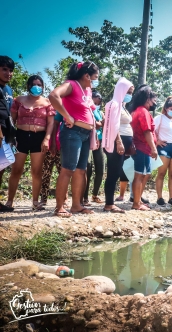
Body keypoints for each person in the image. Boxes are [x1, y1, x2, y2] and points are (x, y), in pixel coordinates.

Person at [48, 61, 100, 217]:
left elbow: (90, 112)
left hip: (86, 135)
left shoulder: (87, 91)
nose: (96, 80)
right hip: (72, 133)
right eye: (95, 77)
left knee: (80, 170)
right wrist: (67, 116)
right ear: (86, 75)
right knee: (68, 169)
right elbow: (53, 95)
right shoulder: (71, 85)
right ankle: (59, 208)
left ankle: (76, 205)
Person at [5, 75, 55, 210]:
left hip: (39, 138)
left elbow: (50, 123)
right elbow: (12, 120)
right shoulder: (19, 100)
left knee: (36, 172)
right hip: (20, 137)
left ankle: (35, 202)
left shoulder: (47, 102)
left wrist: (46, 139)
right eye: (34, 84)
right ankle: (9, 201)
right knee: (16, 170)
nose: (37, 87)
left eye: (40, 85)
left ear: (43, 87)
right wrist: (10, 139)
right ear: (28, 86)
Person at [101, 77, 134, 213]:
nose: (130, 95)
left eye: (131, 92)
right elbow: (112, 126)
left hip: (125, 142)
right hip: (116, 142)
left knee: (119, 172)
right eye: (128, 91)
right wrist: (119, 142)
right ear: (121, 90)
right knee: (113, 174)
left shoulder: (123, 107)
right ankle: (109, 204)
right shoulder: (113, 104)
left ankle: (111, 202)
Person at [129, 85, 158, 211]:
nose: (154, 103)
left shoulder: (137, 110)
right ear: (147, 99)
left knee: (144, 174)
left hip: (141, 147)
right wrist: (154, 148)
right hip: (142, 147)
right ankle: (136, 203)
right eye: (153, 100)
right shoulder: (143, 112)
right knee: (139, 175)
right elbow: (147, 131)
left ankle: (138, 200)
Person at [154, 96, 172, 206]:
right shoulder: (160, 118)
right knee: (161, 173)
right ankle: (160, 197)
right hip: (164, 147)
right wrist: (157, 141)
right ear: (166, 108)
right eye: (171, 109)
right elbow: (152, 130)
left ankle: (171, 197)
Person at [83, 91, 105, 205]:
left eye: (99, 101)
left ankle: (95, 194)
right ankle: (84, 197)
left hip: (99, 142)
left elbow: (104, 125)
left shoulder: (100, 112)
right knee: (88, 169)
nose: (97, 103)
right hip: (88, 140)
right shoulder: (86, 109)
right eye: (95, 100)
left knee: (100, 169)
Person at [0, 56, 16, 212]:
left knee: (1, 167)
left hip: (6, 133)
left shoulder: (8, 89)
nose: (8, 73)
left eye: (10, 70)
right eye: (4, 69)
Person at [40, 112, 66, 206]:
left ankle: (63, 199)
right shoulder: (50, 111)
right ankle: (43, 199)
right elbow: (53, 126)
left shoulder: (62, 108)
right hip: (50, 147)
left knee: (63, 173)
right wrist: (53, 144)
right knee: (46, 173)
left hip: (61, 147)